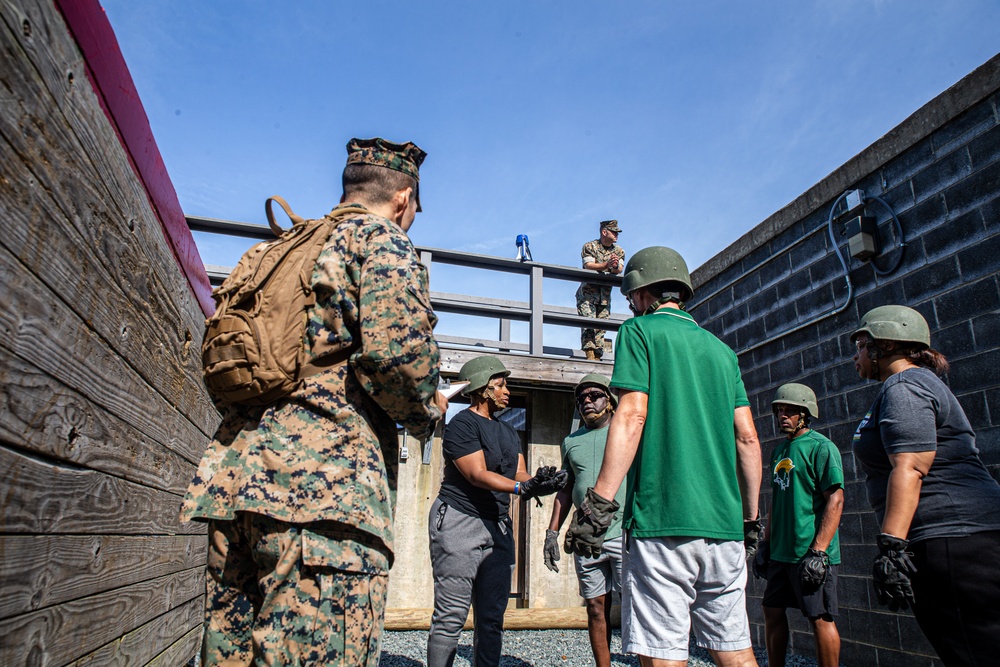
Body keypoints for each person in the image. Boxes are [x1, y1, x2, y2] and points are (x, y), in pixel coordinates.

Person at [180, 137, 447, 666]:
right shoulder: (381, 240)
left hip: (235, 487)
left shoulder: (278, 250)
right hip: (324, 501)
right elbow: (398, 360)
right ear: (404, 199)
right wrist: (427, 411)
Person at [565, 246, 762, 667]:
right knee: (734, 649)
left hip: (662, 521)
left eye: (631, 295)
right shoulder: (723, 353)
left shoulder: (639, 332)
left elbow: (632, 414)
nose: (630, 303)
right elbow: (747, 439)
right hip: (725, 528)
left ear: (642, 291)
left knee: (662, 654)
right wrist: (750, 518)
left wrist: (600, 501)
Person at [850, 305, 1000, 666]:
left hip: (954, 541)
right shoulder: (910, 385)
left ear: (882, 345)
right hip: (957, 537)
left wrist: (891, 548)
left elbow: (912, 465)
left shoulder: (904, 387)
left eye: (860, 344)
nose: (855, 356)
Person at [427, 356, 566, 667]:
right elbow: (476, 473)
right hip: (459, 522)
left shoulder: (506, 430)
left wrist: (543, 483)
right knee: (451, 616)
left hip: (498, 526)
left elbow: (519, 473)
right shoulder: (462, 424)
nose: (507, 390)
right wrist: (520, 489)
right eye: (501, 384)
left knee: (491, 617)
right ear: (482, 388)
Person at [753, 383, 843, 667]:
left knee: (819, 618)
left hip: (811, 553)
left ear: (805, 413)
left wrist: (818, 552)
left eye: (789, 410)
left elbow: (836, 500)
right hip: (781, 552)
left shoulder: (822, 448)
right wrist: (766, 542)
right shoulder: (779, 451)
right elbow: (776, 501)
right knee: (771, 610)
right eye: (779, 410)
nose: (782, 415)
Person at [543, 374, 627, 667]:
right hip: (585, 538)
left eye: (594, 395)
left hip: (623, 534)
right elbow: (566, 488)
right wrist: (552, 532)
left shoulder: (625, 430)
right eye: (581, 398)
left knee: (637, 607)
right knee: (594, 607)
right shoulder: (570, 441)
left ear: (610, 400)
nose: (587, 402)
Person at [576, 220, 625, 360]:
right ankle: (590, 357)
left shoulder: (619, 251)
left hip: (604, 297)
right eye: (613, 231)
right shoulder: (590, 246)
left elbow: (619, 269)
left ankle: (598, 357)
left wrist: (614, 265)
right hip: (587, 295)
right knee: (588, 326)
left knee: (601, 328)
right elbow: (588, 265)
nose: (616, 235)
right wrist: (606, 264)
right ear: (604, 232)